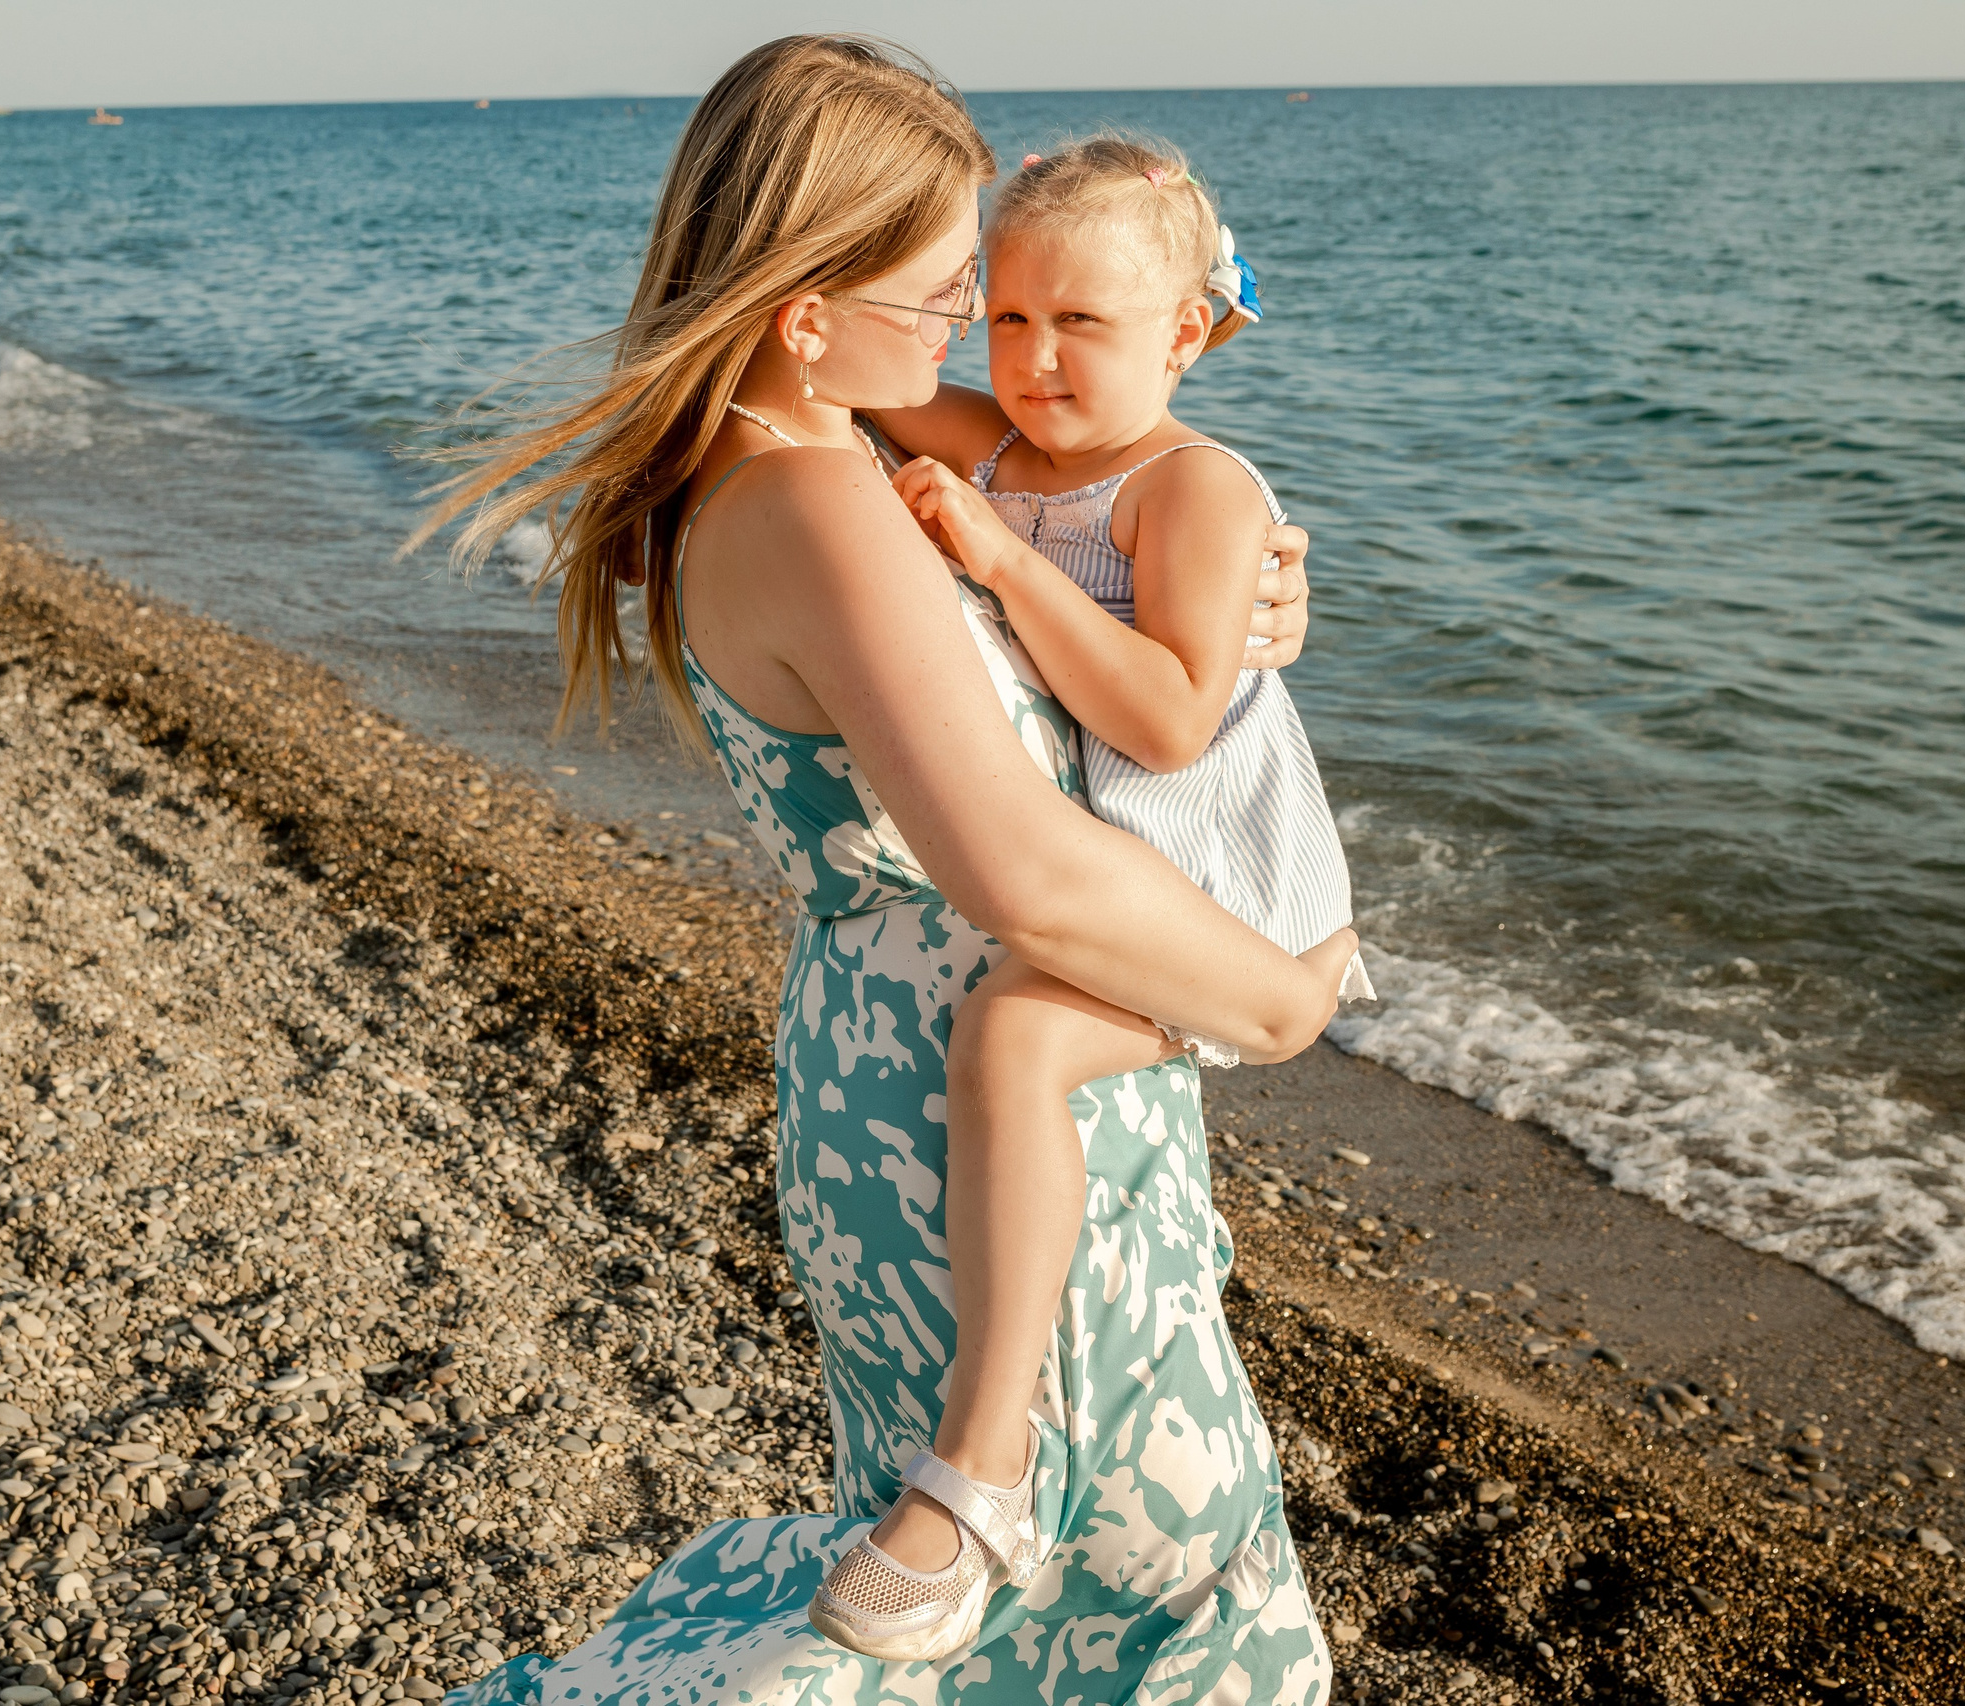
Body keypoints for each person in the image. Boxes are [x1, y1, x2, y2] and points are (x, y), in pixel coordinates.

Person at [423, 36, 1336, 1704]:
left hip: (920, 1073)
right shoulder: (819, 507)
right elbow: (1021, 870)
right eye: (946, 296)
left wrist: (1241, 596)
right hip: (969, 1077)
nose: (973, 344)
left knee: (1037, 1617)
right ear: (803, 312)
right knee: (1138, 1602)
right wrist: (1275, 999)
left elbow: (1106, 519)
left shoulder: (790, 454)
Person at [806, 133, 1368, 1659]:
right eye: (1009, 317)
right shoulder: (999, 438)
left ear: (1186, 333)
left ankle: (972, 1475)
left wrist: (997, 555)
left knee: (1013, 1043)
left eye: (1087, 326)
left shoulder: (1192, 487)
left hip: (1225, 897)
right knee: (1004, 1043)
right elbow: (822, 367)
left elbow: (1173, 718)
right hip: (1112, 874)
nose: (1037, 360)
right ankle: (976, 1463)